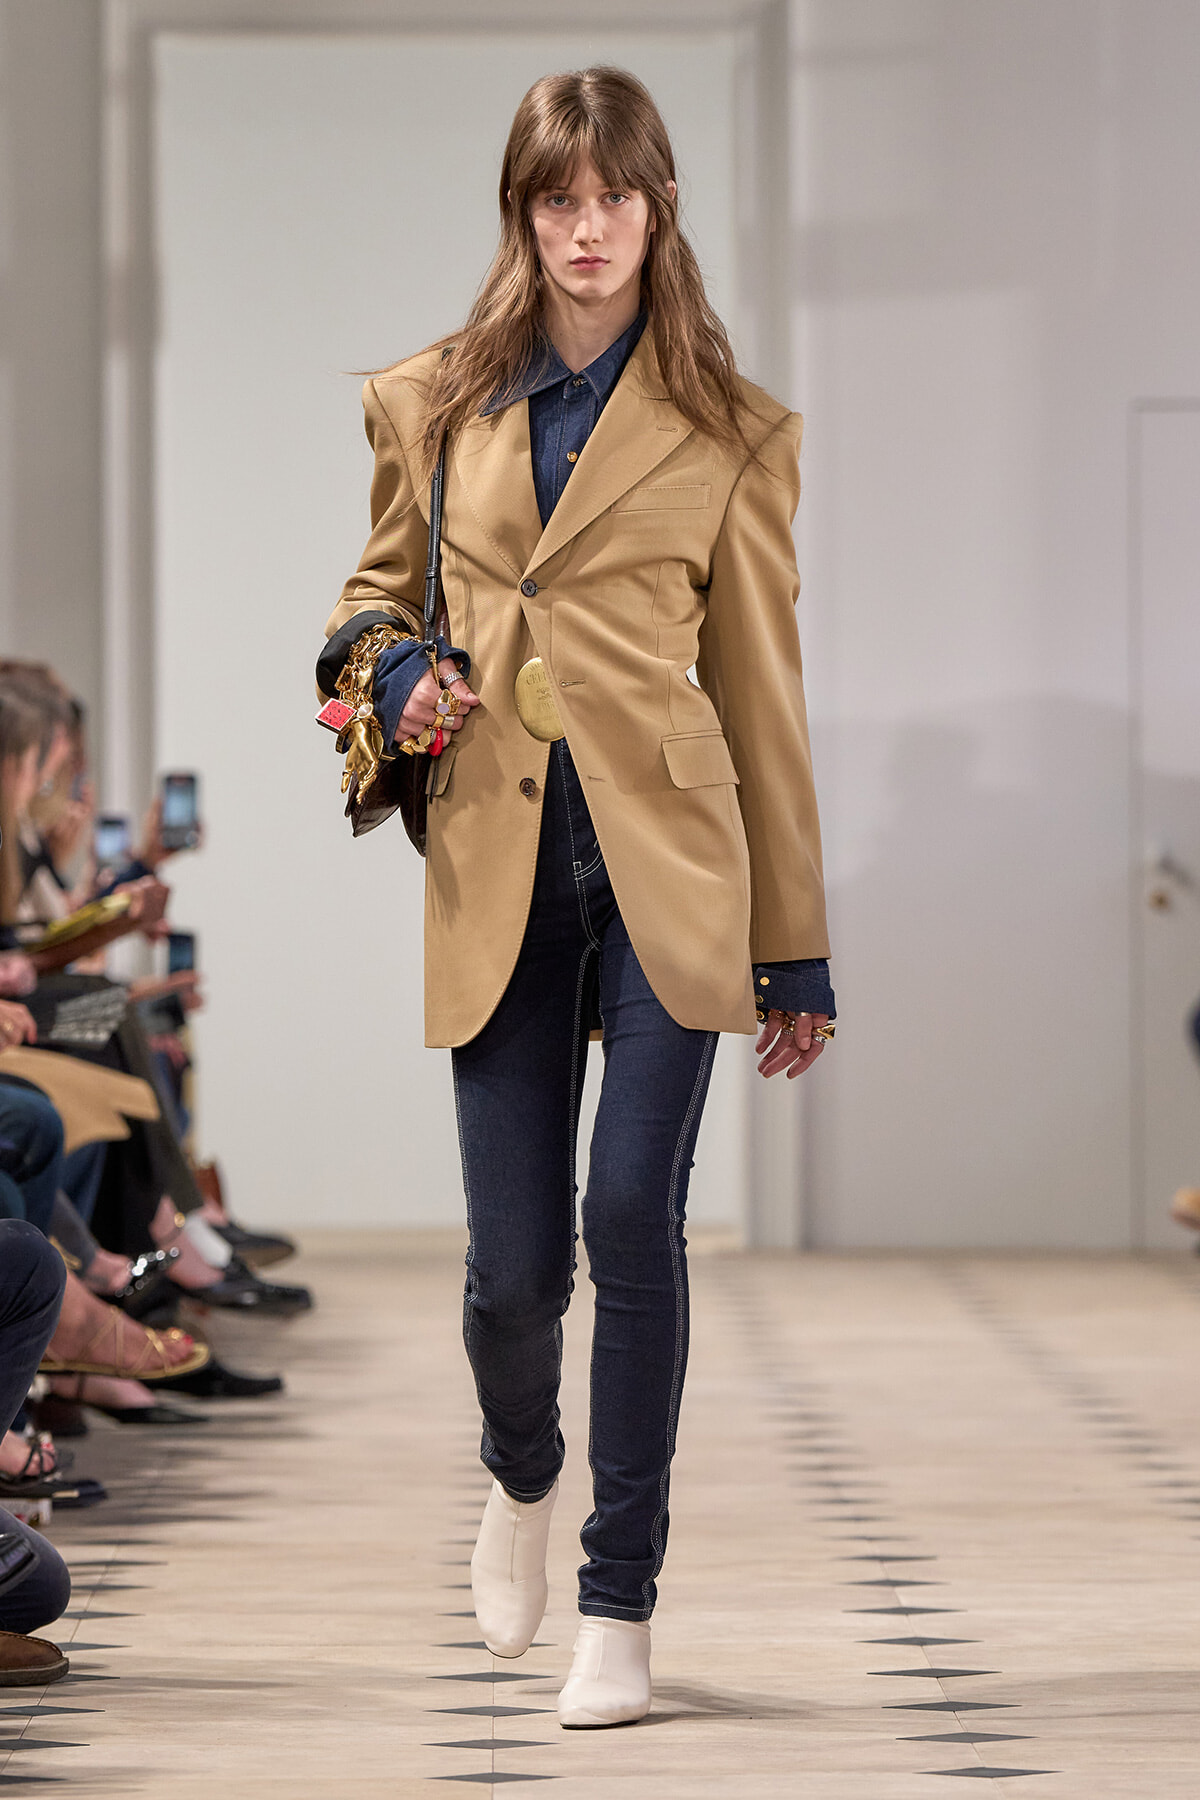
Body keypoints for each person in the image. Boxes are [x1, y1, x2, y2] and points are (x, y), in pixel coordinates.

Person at [319, 67, 835, 1728]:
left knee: (635, 1227)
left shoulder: (736, 431)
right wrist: (390, 674)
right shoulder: (433, 400)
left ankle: (620, 1598)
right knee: (511, 1277)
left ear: (656, 206)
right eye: (558, 198)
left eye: (614, 196)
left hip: (673, 874)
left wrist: (797, 946)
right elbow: (364, 608)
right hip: (498, 857)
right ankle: (520, 1467)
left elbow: (764, 697)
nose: (587, 226)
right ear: (523, 213)